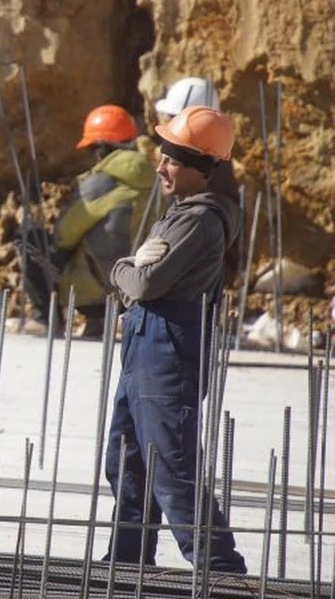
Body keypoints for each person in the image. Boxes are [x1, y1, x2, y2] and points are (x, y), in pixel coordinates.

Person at [102, 105, 247, 573]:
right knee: (126, 461)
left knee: (171, 467)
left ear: (200, 170)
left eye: (172, 160)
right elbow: (145, 280)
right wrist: (138, 269)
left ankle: (219, 567)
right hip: (145, 351)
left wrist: (123, 267)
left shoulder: (199, 220)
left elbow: (143, 283)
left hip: (168, 355)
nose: (160, 167)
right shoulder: (182, 212)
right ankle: (127, 560)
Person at [20, 105, 158, 337]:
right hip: (141, 289)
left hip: (96, 292)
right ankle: (98, 323)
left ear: (101, 148)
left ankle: (44, 319)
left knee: (32, 240)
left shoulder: (100, 183)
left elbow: (64, 235)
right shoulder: (156, 181)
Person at [153, 76, 242, 285]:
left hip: (198, 278)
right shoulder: (215, 160)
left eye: (171, 117)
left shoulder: (202, 171)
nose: (166, 122)